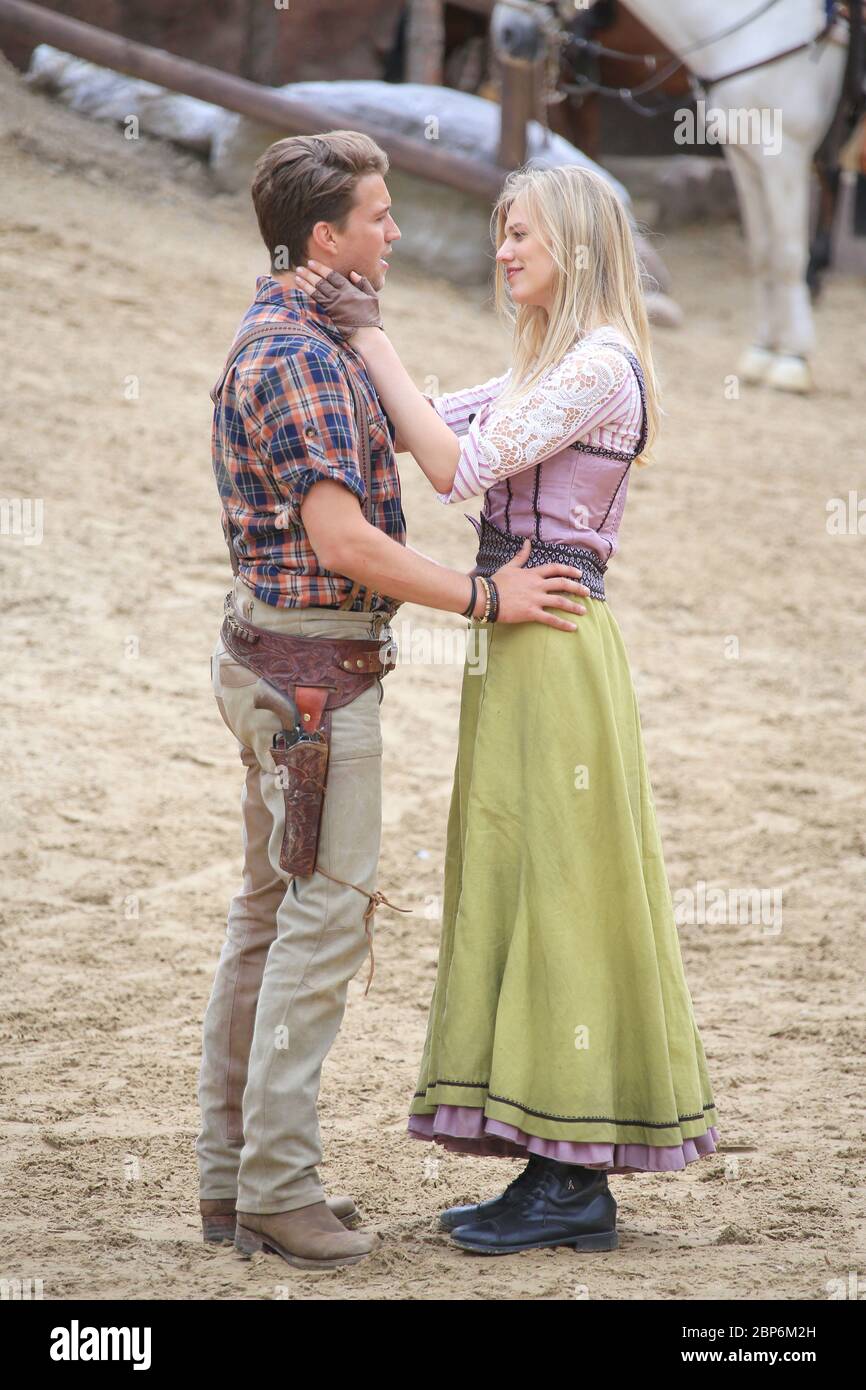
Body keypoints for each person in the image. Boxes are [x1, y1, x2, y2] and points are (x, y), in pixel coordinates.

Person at [294, 161, 721, 1257]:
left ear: (572, 243)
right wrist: (329, 350)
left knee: (561, 888)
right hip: (518, 639)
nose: (502, 251)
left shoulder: (600, 365)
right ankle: (551, 1167)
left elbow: (460, 465)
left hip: (555, 643)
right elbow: (424, 421)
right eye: (499, 233)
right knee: (524, 874)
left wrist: (372, 333)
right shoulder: (551, 364)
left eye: (518, 233)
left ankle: (572, 1181)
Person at [196, 132, 590, 1273]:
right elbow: (345, 541)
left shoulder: (291, 335)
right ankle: (274, 1189)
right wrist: (484, 595)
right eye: (379, 216)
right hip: (316, 681)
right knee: (316, 928)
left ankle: (234, 1183)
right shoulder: (308, 361)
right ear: (326, 239)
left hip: (277, 665)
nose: (397, 233)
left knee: (266, 917)